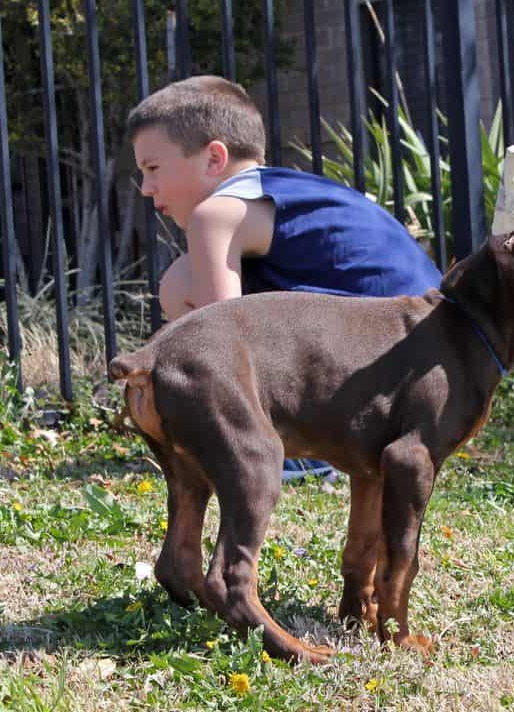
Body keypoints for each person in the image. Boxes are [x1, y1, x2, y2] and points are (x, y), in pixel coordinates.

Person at [126, 75, 443, 481]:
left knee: (186, 292)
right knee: (184, 279)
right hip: (426, 377)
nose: (146, 188)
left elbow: (217, 345)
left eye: (152, 168)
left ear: (213, 159)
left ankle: (298, 455)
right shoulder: (288, 191)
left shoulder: (216, 214)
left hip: (381, 382)